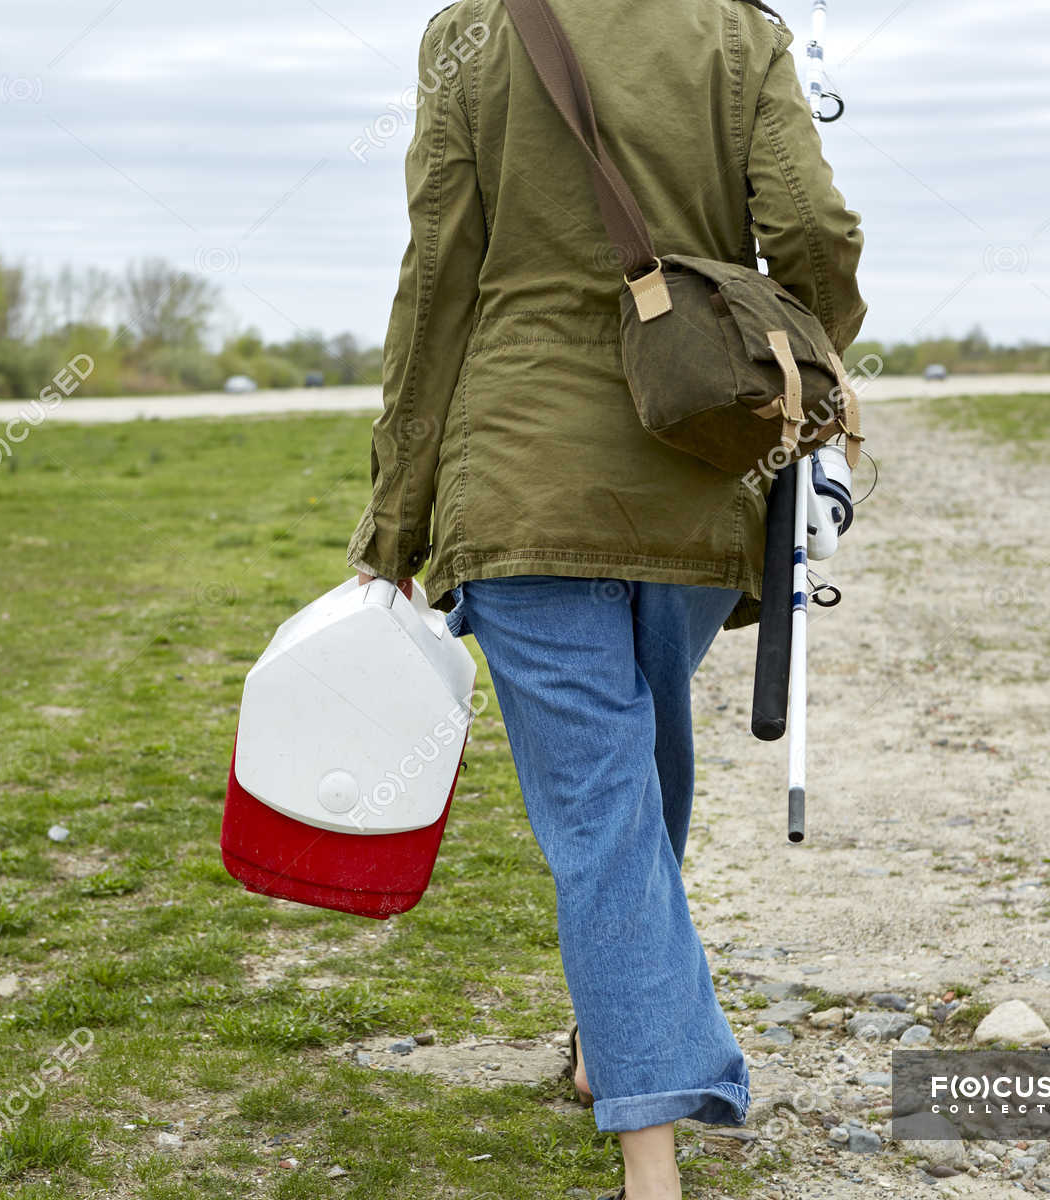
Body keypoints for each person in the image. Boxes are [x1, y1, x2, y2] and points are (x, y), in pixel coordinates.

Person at [349, 0, 864, 1195]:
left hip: (522, 476)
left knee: (606, 810)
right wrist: (808, 369)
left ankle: (651, 1160)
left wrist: (396, 512)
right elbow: (813, 229)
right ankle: (612, 1047)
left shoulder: (472, 31)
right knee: (630, 789)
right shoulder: (740, 33)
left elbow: (437, 281)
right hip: (691, 462)